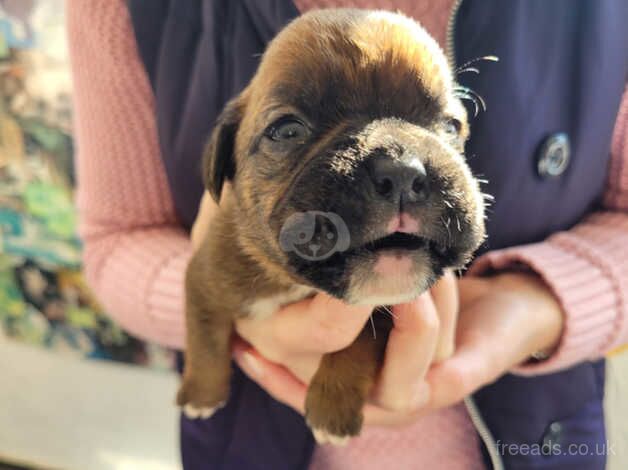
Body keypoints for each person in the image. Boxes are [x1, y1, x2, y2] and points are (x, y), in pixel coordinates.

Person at [67, 0, 628, 469]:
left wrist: (536, 303)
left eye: (446, 125)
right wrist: (247, 319)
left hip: (536, 440)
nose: (400, 174)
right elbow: (120, 238)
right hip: (248, 443)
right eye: (289, 128)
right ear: (224, 167)